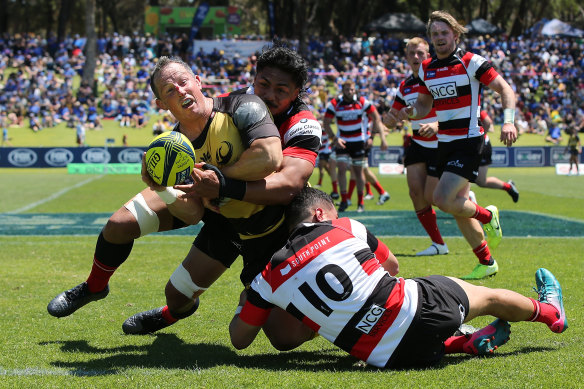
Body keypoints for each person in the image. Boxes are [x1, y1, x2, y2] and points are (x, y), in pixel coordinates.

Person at [229, 187, 568, 369]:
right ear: (320, 214)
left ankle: (463, 343)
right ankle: (549, 312)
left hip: (385, 358)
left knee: (394, 335)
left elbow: (240, 339)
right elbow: (391, 266)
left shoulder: (268, 276)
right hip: (423, 310)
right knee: (486, 297)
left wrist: (248, 300)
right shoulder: (344, 227)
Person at [122, 47, 323, 344]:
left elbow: (288, 185)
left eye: (281, 90)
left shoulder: (303, 123)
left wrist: (219, 184)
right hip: (224, 217)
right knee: (175, 295)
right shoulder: (240, 104)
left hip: (272, 223)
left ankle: (318, 311)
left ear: (295, 94)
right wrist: (165, 182)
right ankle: (171, 313)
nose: (268, 95)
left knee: (284, 339)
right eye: (263, 84)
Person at [386, 11, 518, 279]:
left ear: (455, 35)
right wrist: (408, 113)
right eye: (434, 34)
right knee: (457, 206)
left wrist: (508, 122)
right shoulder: (426, 69)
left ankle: (486, 216)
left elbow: (506, 90)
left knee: (441, 199)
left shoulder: (471, 62)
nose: (439, 38)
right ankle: (487, 261)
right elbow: (424, 106)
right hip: (443, 144)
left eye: (444, 33)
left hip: (469, 141)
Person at [386, 37, 448, 256]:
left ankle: (467, 199)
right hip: (417, 143)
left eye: (420, 53)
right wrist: (390, 119)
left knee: (433, 197)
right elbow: (392, 117)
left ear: (428, 54)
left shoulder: (439, 77)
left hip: (441, 144)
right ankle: (439, 244)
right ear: (406, 57)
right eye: (411, 53)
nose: (415, 57)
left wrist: (437, 124)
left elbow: (455, 111)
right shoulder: (405, 85)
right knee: (415, 193)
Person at [324, 79, 387, 213]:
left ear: (355, 89)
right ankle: (344, 200)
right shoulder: (335, 103)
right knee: (341, 169)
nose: (350, 92)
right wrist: (335, 139)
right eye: (347, 89)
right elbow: (326, 122)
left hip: (359, 142)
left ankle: (360, 202)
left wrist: (372, 137)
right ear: (343, 90)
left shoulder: (362, 101)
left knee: (358, 172)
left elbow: (376, 117)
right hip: (343, 142)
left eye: (352, 89)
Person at [475, 110, 519, 202]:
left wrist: (481, 137)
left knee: (480, 181)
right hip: (473, 144)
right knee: (474, 179)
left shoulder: (474, 105)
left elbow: (487, 121)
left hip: (480, 145)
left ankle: (508, 187)